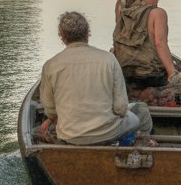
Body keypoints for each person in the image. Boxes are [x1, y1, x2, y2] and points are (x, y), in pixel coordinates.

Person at [40, 11, 153, 146]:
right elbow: (121, 109)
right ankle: (132, 149)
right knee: (142, 111)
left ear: (61, 35)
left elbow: (51, 111)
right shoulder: (108, 59)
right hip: (109, 133)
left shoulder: (50, 65)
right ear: (88, 32)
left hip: (70, 136)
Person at [113, 0, 181, 89]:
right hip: (149, 75)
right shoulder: (157, 13)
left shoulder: (123, 4)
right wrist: (172, 74)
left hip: (123, 71)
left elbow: (119, 29)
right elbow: (160, 43)